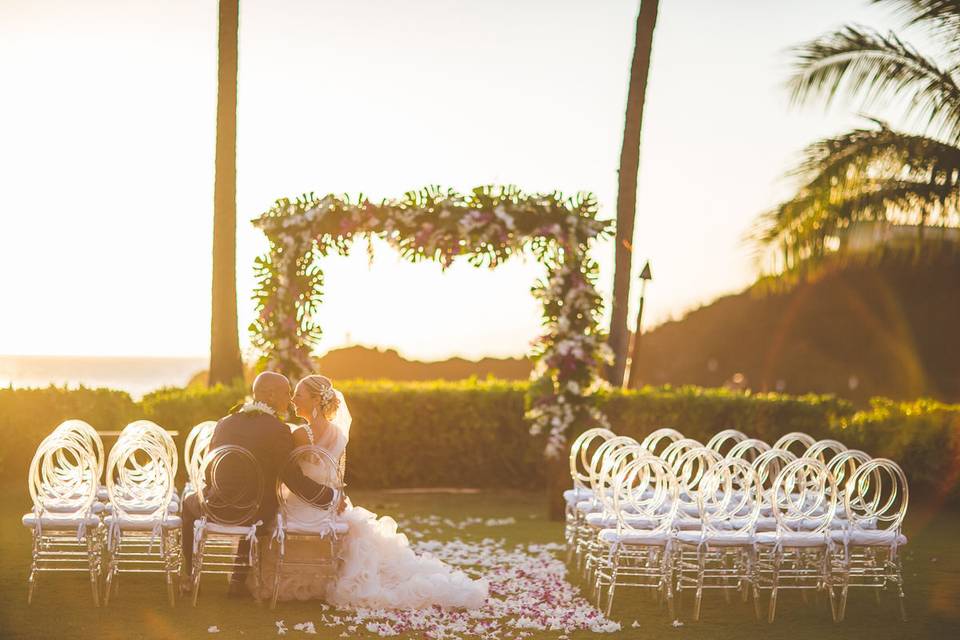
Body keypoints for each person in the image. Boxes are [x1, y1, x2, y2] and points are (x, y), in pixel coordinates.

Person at [256, 374, 488, 609]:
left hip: (302, 503)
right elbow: (337, 476)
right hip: (329, 503)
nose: (294, 399)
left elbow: (291, 476)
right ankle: (327, 578)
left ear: (316, 400)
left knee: (270, 520)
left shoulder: (299, 434)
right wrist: (336, 497)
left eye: (299, 395)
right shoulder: (338, 434)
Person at [180, 372, 335, 597]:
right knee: (256, 498)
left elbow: (208, 473)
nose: (290, 399)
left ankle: (188, 575)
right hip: (256, 515)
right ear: (270, 395)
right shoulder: (279, 431)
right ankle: (237, 580)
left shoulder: (224, 423)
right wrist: (329, 497)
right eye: (286, 393)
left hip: (216, 508)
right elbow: (293, 479)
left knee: (187, 504)